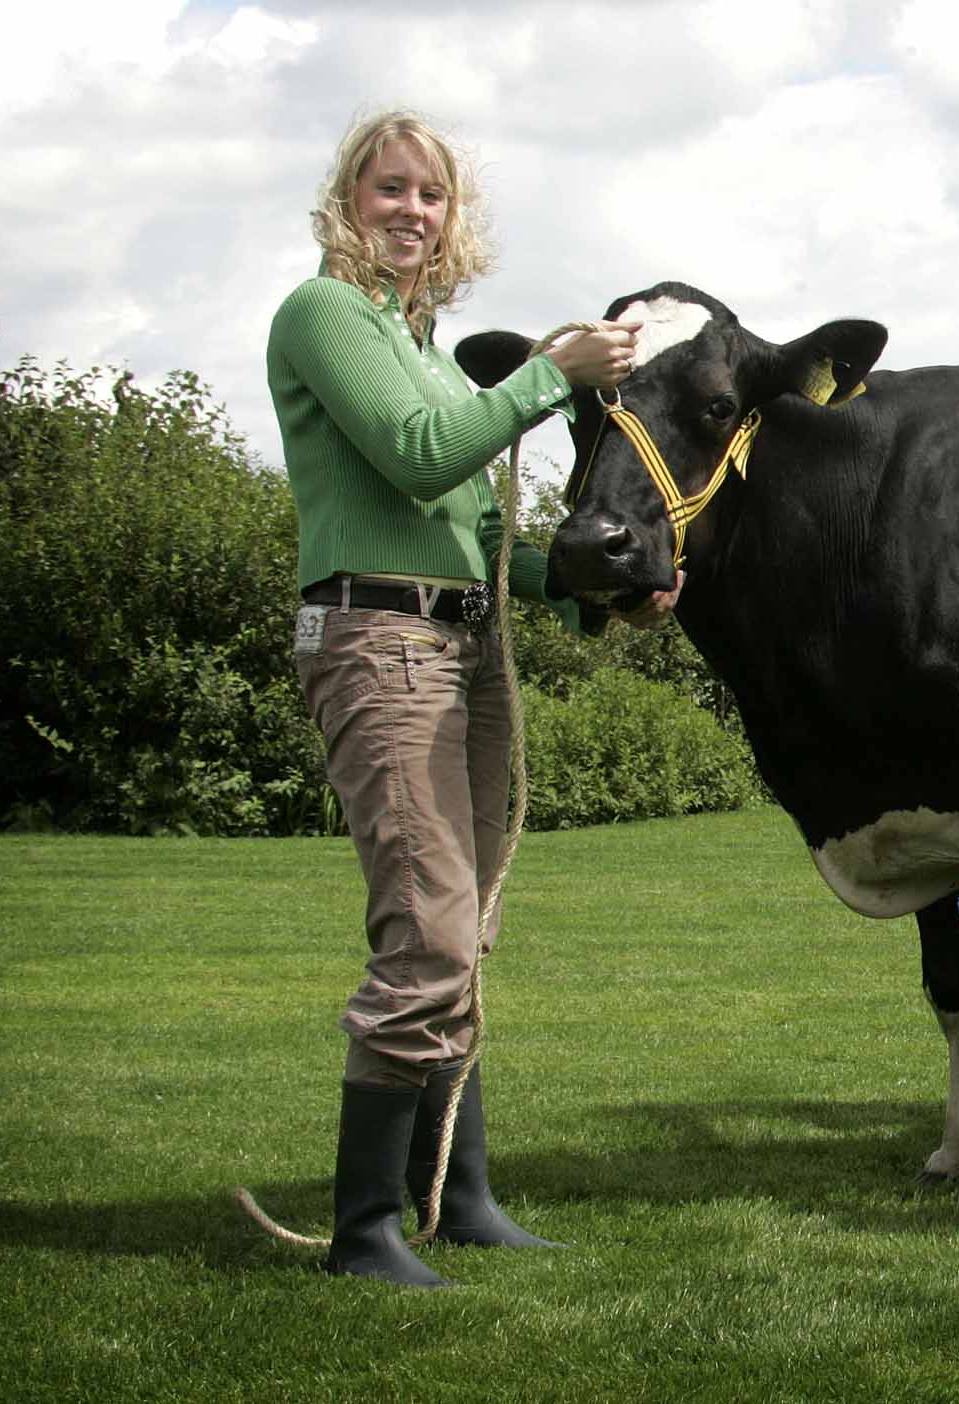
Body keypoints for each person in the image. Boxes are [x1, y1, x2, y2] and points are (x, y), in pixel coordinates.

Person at [270, 110, 670, 1287]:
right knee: (430, 930)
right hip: (378, 638)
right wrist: (554, 374)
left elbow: (486, 539)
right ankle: (363, 1234)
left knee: (464, 931)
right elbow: (417, 452)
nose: (411, 212)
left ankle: (463, 1195)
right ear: (348, 202)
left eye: (431, 196)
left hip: (463, 641)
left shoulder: (426, 344)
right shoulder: (325, 315)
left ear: (455, 216)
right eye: (389, 190)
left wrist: (603, 589)